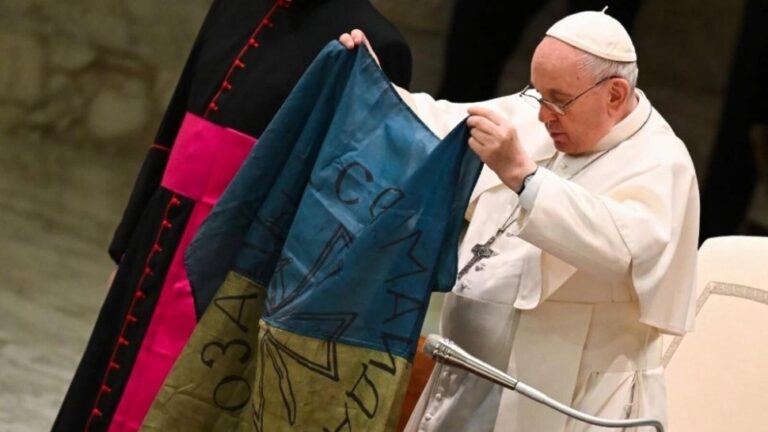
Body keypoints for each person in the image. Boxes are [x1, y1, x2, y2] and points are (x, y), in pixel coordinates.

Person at [54, 1, 411, 431]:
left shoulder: (377, 43)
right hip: (159, 238)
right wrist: (128, 246)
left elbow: (351, 209)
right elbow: (175, 124)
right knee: (104, 391)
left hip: (242, 271)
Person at [339, 9, 699, 432]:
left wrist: (525, 177)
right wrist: (376, 88)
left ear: (615, 95)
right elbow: (440, 124)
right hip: (465, 382)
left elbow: (624, 250)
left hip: (569, 400)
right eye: (538, 95)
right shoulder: (540, 114)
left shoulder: (662, 162)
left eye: (559, 100)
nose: (543, 116)